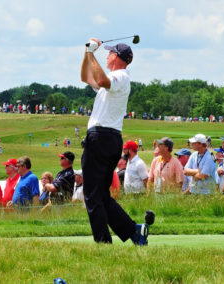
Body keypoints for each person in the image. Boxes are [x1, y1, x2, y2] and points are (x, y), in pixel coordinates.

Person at [80, 38, 154, 245]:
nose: (107, 55)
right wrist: (87, 53)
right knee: (101, 194)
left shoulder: (119, 76)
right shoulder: (115, 77)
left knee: (92, 194)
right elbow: (86, 78)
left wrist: (92, 53)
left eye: (109, 53)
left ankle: (103, 242)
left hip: (101, 137)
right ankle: (133, 231)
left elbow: (102, 81)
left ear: (117, 58)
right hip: (109, 138)